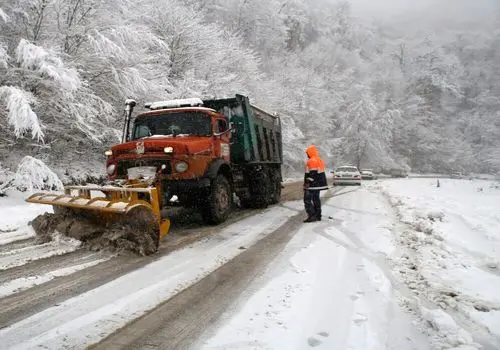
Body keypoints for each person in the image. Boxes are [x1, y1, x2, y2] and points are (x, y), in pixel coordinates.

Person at [303, 145, 328, 222]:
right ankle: (318, 215)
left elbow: (312, 174)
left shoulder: (312, 161)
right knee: (316, 200)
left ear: (310, 152)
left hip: (312, 185)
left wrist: (307, 182)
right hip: (318, 185)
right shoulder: (319, 160)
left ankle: (312, 216)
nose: (307, 155)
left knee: (307, 200)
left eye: (307, 153)